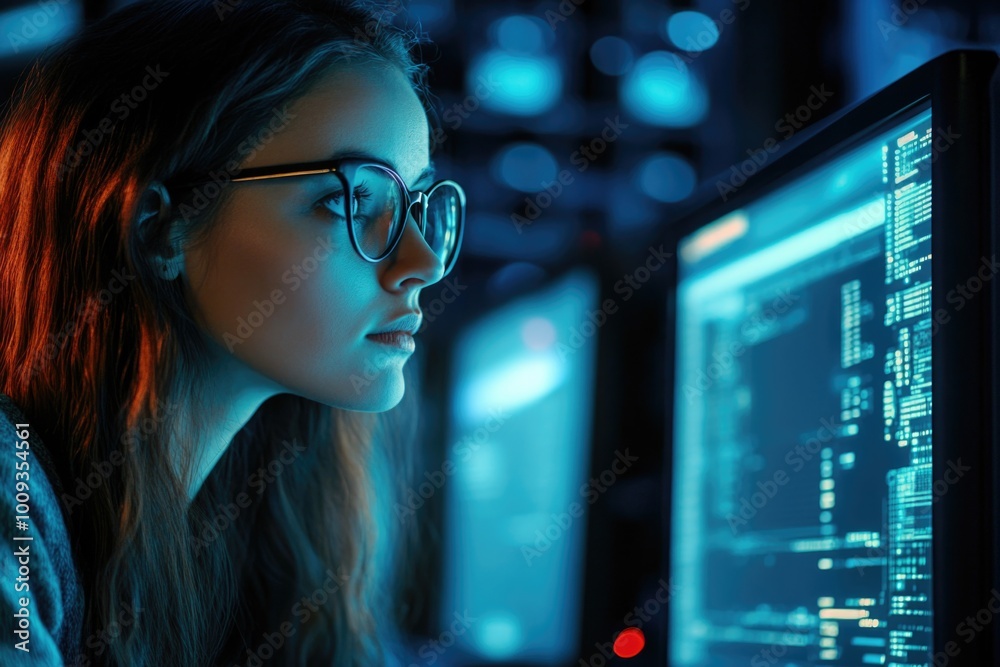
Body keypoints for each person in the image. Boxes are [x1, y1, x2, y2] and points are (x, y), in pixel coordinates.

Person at [0, 0, 464, 664]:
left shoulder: (269, 519)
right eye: (352, 199)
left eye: (417, 204)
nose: (421, 263)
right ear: (159, 229)